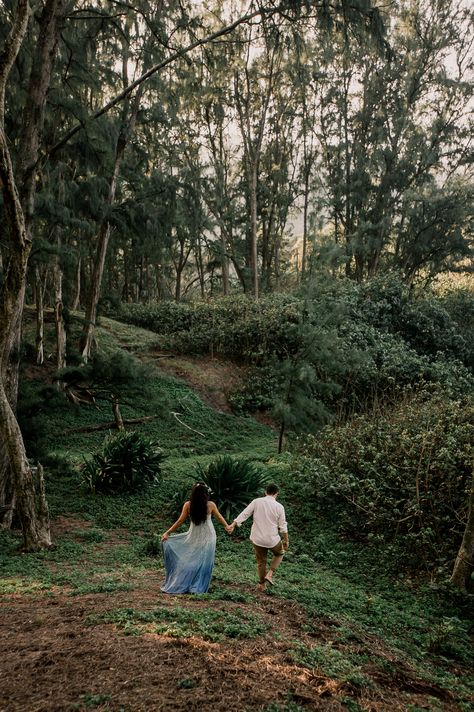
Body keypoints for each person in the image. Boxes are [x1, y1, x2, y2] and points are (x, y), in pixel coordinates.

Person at [160, 483, 230, 594]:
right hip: (209, 535)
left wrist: (168, 532)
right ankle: (198, 585)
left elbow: (180, 521)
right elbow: (220, 517)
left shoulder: (188, 505)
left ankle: (190, 582)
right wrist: (227, 526)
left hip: (194, 534)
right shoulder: (211, 505)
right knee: (205, 560)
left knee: (192, 558)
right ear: (205, 494)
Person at [227, 483, 288, 591]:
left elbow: (244, 514)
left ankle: (261, 584)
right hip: (272, 539)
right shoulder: (279, 507)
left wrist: (233, 524)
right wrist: (286, 540)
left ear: (265, 492)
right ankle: (270, 573)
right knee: (280, 553)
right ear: (276, 493)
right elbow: (283, 526)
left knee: (261, 561)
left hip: (257, 538)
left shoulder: (257, 501)